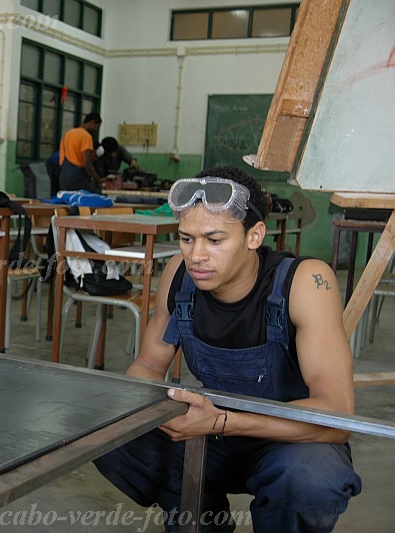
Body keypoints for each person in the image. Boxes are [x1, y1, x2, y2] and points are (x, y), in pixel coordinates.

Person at [94, 166, 361, 532]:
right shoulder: (178, 276)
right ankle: (201, 521)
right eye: (186, 239)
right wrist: (163, 410)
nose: (196, 255)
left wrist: (222, 420)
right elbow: (145, 367)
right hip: (209, 434)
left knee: (311, 477)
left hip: (288, 441)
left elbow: (337, 416)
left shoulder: (304, 283)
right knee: (106, 433)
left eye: (214, 240)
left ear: (254, 236)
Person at [58, 112, 102, 193]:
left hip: (64, 177)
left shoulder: (68, 134)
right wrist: (98, 181)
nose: (96, 130)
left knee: (69, 202)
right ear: (92, 122)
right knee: (96, 196)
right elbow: (87, 164)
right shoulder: (86, 136)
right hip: (78, 178)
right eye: (97, 127)